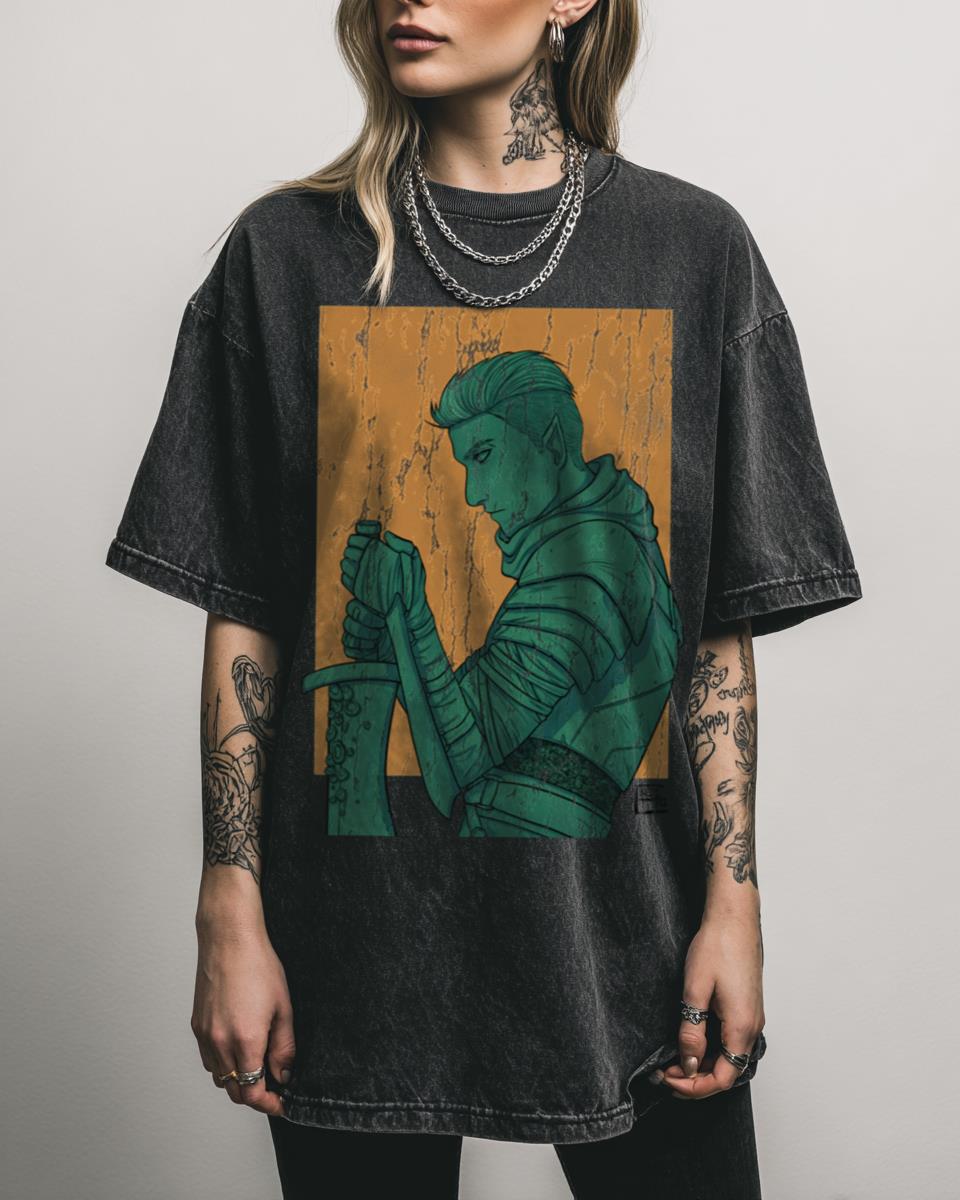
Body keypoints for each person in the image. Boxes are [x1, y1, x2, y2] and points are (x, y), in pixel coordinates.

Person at [104, 0, 864, 1196]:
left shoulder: (693, 252)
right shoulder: (284, 254)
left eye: (485, 459)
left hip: (628, 946)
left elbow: (713, 644)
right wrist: (229, 905)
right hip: (352, 948)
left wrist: (734, 903)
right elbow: (244, 610)